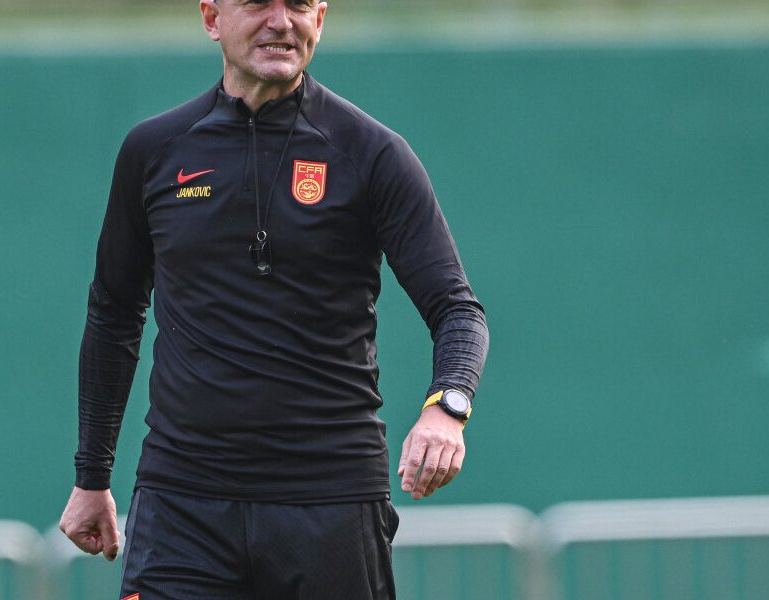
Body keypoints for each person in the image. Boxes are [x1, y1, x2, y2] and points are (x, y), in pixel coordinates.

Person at [58, 1, 488, 598]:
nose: (281, 21)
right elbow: (113, 316)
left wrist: (449, 408)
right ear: (212, 18)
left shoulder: (372, 155)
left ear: (321, 18)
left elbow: (457, 310)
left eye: (300, 4)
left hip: (329, 502)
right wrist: (91, 477)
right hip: (182, 503)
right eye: (258, 2)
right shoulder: (154, 150)